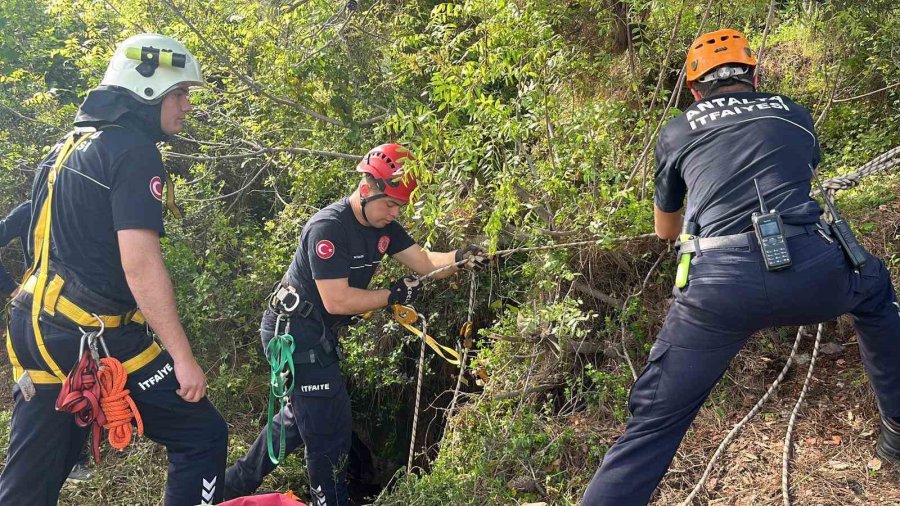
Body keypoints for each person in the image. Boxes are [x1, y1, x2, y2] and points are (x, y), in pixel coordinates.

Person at [581, 29, 900, 505]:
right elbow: (800, 171)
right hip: (814, 270)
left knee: (653, 424)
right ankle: (896, 425)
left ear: (694, 89)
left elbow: (666, 232)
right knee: (874, 289)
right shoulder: (793, 113)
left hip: (717, 288)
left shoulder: (676, 131)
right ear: (754, 76)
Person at [0, 33, 227, 505]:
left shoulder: (66, 145)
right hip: (90, 333)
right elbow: (140, 265)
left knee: (32, 482)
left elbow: (38, 239)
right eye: (179, 93)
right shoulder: (133, 152)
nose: (187, 106)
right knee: (202, 433)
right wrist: (182, 359)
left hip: (35, 326)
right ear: (147, 90)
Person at [223, 143, 489, 505]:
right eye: (390, 203)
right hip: (294, 332)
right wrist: (392, 295)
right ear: (367, 189)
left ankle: (230, 485)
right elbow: (338, 300)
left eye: (400, 206)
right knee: (330, 429)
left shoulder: (385, 225)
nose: (395, 213)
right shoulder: (328, 229)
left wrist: (460, 259)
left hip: (316, 330)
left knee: (299, 420)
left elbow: (425, 261)